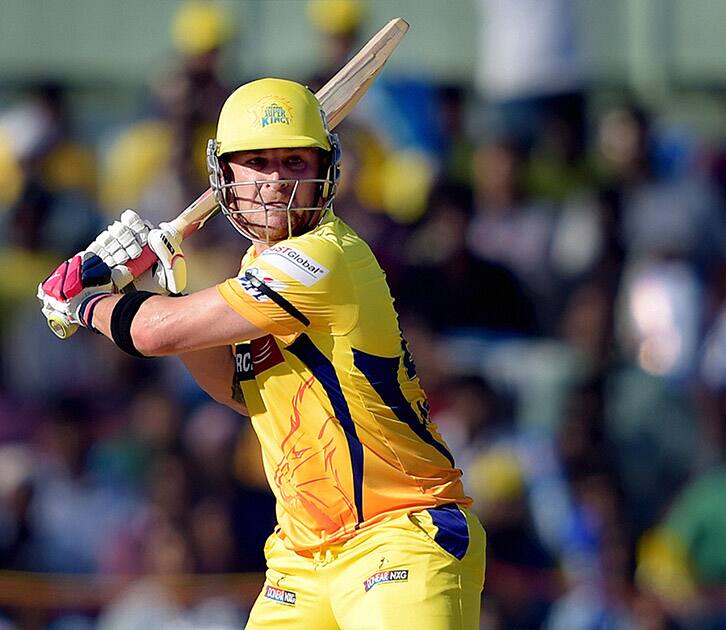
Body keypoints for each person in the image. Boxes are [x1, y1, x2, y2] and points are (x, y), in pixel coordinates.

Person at [37, 77, 486, 629]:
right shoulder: (256, 268)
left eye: (294, 161)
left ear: (326, 169)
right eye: (258, 163)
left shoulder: (324, 259)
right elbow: (233, 385)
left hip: (399, 533)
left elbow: (154, 336)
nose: (276, 182)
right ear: (225, 175)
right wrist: (159, 292)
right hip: (301, 555)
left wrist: (86, 304)